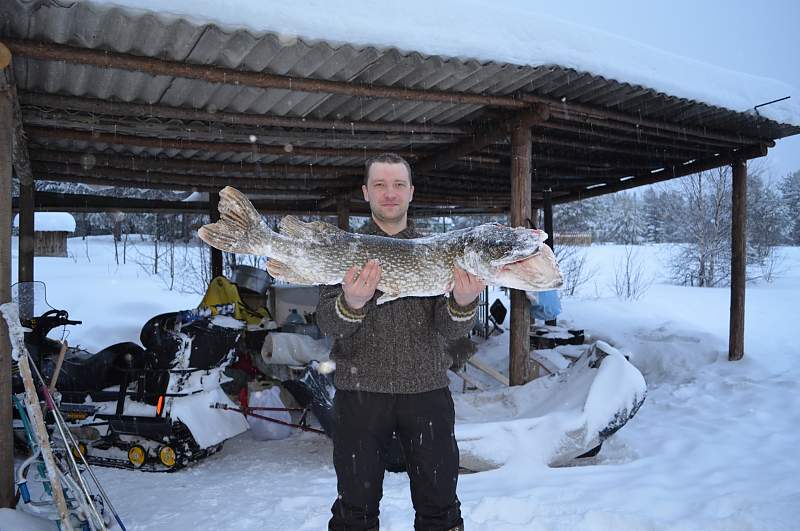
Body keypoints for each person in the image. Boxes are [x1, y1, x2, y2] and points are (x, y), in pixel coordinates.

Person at [316, 153, 485, 531]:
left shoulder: (440, 249)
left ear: (411, 192)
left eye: (397, 185)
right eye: (379, 184)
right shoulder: (346, 248)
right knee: (354, 510)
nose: (389, 193)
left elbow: (451, 329)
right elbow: (328, 322)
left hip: (426, 392)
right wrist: (352, 303)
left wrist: (462, 302)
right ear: (365, 192)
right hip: (359, 394)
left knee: (439, 507)